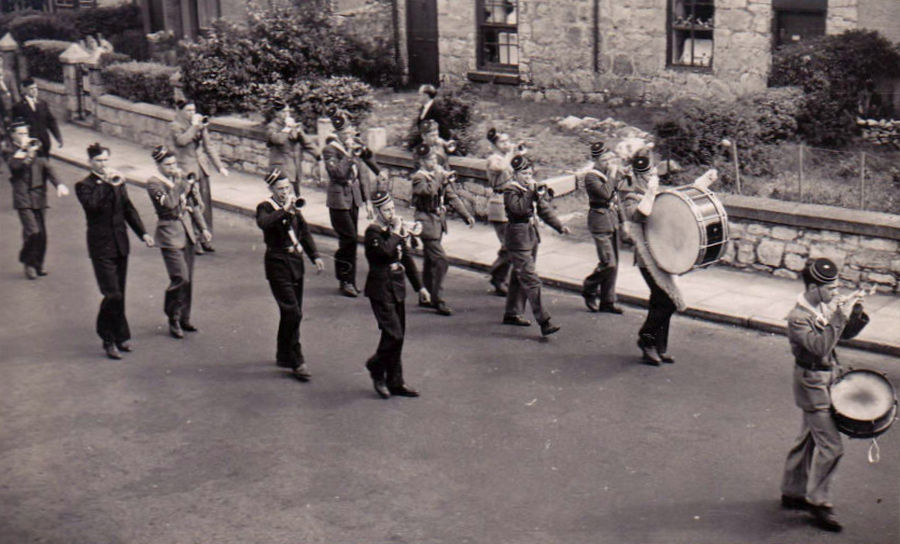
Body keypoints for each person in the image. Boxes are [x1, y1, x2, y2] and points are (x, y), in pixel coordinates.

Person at [780, 258, 864, 533]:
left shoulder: (820, 306)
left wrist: (853, 313)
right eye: (831, 288)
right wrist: (838, 317)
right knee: (832, 447)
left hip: (824, 379)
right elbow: (819, 346)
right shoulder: (797, 318)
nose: (835, 293)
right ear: (814, 287)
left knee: (808, 438)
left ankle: (792, 492)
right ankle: (819, 501)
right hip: (812, 384)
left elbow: (839, 336)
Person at [75, 143, 154, 360]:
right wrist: (107, 184)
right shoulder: (84, 185)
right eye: (99, 161)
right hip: (100, 247)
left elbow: (128, 209)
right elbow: (93, 207)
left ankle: (121, 335)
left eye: (106, 160)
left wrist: (143, 233)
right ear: (90, 162)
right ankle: (107, 338)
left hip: (120, 243)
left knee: (121, 293)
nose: (103, 164)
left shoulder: (117, 181)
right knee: (112, 294)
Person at [256, 168, 325, 381]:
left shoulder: (294, 207)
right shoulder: (265, 207)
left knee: (292, 312)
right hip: (277, 264)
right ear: (271, 189)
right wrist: (285, 210)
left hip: (295, 263)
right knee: (293, 312)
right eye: (280, 189)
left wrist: (315, 256)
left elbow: (303, 232)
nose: (285, 192)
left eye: (287, 188)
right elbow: (264, 223)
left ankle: (283, 353)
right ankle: (297, 359)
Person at [363, 190, 430, 399]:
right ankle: (375, 367)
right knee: (394, 334)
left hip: (397, 287)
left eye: (393, 209)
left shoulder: (395, 231)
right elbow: (383, 252)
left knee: (397, 336)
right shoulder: (372, 232)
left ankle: (395, 381)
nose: (392, 213)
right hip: (380, 289)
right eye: (387, 210)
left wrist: (420, 287)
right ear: (377, 211)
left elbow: (406, 259)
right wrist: (397, 233)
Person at [619, 154, 685, 365]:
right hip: (646, 257)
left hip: (663, 254)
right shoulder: (631, 197)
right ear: (638, 177)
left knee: (659, 300)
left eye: (652, 173)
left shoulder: (656, 193)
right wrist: (649, 192)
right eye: (647, 175)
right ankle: (646, 340)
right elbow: (640, 215)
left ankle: (658, 347)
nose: (651, 178)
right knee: (667, 301)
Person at [146, 144, 211, 339]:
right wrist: (182, 184)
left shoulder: (180, 179)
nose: (172, 167)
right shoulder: (154, 183)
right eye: (167, 164)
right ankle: (172, 316)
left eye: (174, 163)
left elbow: (192, 206)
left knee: (188, 279)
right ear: (158, 165)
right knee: (180, 277)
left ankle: (184, 317)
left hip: (187, 231)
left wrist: (203, 228)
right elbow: (169, 204)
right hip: (169, 233)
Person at [502, 154, 569, 336]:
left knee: (519, 276)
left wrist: (559, 226)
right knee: (531, 280)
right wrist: (531, 192)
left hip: (531, 236)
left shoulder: (529, 188)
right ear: (515, 174)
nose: (528, 177)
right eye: (524, 173)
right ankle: (544, 321)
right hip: (517, 237)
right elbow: (519, 209)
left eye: (530, 173)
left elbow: (544, 209)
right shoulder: (510, 190)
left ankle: (513, 313)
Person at [410, 143, 475, 316]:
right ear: (422, 161)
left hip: (437, 222)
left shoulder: (436, 175)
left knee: (431, 261)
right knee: (441, 261)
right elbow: (429, 192)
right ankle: (438, 299)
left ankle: (426, 296)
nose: (434, 161)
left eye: (434, 158)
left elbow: (451, 196)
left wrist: (466, 215)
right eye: (430, 159)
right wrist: (439, 176)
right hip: (426, 221)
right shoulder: (419, 177)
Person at [322, 112, 380, 297]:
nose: (349, 135)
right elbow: (337, 174)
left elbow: (364, 167)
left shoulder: (353, 146)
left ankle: (349, 280)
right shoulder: (330, 150)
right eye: (345, 133)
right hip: (338, 200)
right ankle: (346, 280)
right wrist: (349, 155)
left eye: (349, 131)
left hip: (353, 198)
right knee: (349, 239)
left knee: (350, 239)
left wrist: (367, 199)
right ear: (337, 133)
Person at [6, 119, 68, 279]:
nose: (24, 136)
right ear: (13, 135)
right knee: (32, 231)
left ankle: (38, 264)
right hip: (23, 198)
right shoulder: (9, 149)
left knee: (42, 234)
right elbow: (15, 167)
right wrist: (27, 153)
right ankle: (28, 263)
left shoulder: (35, 147)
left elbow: (48, 168)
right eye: (20, 134)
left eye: (26, 133)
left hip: (39, 196)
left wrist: (59, 184)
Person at [169, 99, 229, 254]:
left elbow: (209, 146)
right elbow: (182, 141)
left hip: (202, 169)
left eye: (193, 110)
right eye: (188, 110)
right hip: (186, 170)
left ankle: (205, 238)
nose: (192, 113)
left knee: (205, 205)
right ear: (180, 111)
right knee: (191, 205)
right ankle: (193, 240)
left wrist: (220, 166)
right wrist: (195, 127)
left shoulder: (199, 124)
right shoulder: (175, 126)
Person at [581, 141, 625, 314]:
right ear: (595, 159)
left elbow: (615, 198)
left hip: (612, 221)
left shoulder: (608, 175)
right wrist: (613, 174)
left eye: (610, 159)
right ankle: (589, 287)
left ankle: (607, 301)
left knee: (615, 264)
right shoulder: (591, 177)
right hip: (599, 221)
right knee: (609, 263)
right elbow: (606, 193)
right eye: (604, 160)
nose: (608, 163)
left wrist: (623, 221)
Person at [266, 101, 321, 196]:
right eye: (283, 112)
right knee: (285, 196)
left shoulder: (292, 125)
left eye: (288, 111)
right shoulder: (272, 127)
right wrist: (287, 129)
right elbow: (279, 140)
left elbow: (306, 142)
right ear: (276, 113)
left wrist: (318, 154)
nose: (287, 114)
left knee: (296, 196)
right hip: (281, 168)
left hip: (295, 167)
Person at [485, 127, 516, 296]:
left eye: (508, 140)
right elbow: (500, 168)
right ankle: (497, 275)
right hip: (499, 203)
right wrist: (510, 154)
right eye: (503, 142)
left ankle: (498, 276)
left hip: (510, 202)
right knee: (509, 244)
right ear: (495, 144)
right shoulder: (493, 159)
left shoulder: (505, 158)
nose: (507, 144)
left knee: (511, 244)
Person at [12, 78, 62, 158]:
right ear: (25, 90)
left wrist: (58, 138)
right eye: (31, 89)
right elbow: (17, 128)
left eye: (35, 88)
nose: (35, 91)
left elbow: (51, 122)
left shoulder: (42, 104)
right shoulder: (18, 107)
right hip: (31, 145)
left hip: (44, 142)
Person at [0, 58, 21, 126]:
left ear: (2, 61)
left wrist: (19, 103)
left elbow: (14, 90)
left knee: (8, 124)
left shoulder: (8, 74)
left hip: (7, 104)